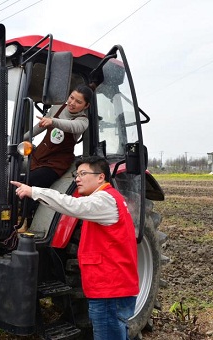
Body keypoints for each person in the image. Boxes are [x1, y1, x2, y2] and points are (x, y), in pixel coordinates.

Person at [11, 156, 139, 340]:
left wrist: (34, 191)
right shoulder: (107, 199)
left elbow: (73, 205)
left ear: (101, 177)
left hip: (109, 291)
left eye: (83, 174)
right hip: (110, 287)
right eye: (76, 174)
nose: (77, 179)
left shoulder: (104, 200)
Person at [19, 84, 92, 232]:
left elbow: (70, 127)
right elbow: (40, 126)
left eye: (78, 102)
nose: (72, 103)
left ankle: (25, 220)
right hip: (40, 156)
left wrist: (52, 121)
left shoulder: (83, 121)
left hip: (56, 163)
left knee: (33, 180)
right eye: (71, 98)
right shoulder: (57, 107)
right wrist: (19, 139)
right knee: (13, 172)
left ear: (86, 105)